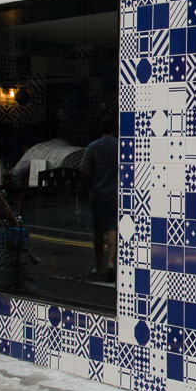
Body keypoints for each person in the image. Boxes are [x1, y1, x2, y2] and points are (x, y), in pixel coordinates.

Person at [81, 118, 118, 279]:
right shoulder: (119, 146)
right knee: (112, 228)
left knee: (98, 231)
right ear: (114, 129)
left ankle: (98, 266)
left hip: (98, 194)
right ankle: (110, 262)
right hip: (115, 194)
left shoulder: (92, 147)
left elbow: (84, 170)